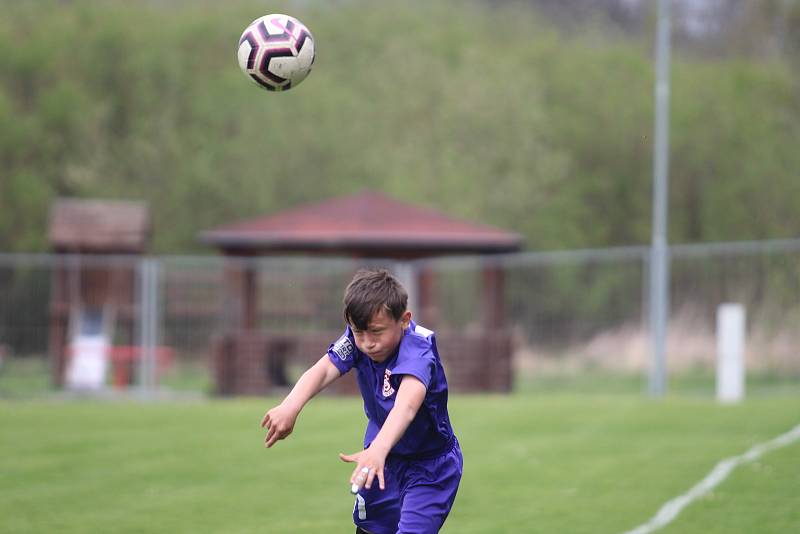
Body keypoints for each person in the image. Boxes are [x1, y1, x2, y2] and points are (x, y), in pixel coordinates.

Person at [261, 268, 463, 534]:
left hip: (429, 468)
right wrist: (290, 405)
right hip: (380, 459)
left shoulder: (418, 350)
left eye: (377, 332)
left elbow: (407, 406)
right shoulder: (357, 338)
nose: (367, 343)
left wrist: (379, 448)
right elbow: (323, 369)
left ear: (404, 320)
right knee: (371, 530)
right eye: (359, 333)